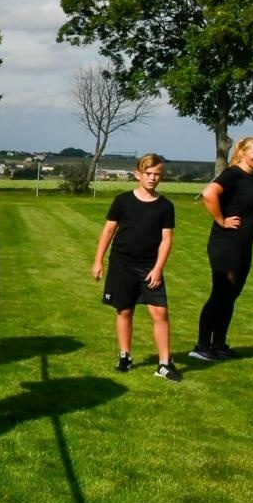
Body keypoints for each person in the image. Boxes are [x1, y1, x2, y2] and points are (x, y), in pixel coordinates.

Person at [91, 154, 181, 381]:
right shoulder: (122, 201)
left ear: (162, 176)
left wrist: (158, 268)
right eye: (148, 174)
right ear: (138, 174)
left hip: (149, 267)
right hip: (122, 264)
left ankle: (164, 363)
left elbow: (166, 240)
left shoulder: (166, 206)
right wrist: (98, 260)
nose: (152, 178)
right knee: (124, 310)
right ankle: (125, 356)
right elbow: (108, 231)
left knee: (159, 312)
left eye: (157, 174)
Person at [191, 136, 253, 361]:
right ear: (242, 152)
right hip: (226, 243)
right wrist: (221, 220)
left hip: (243, 245)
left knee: (231, 295)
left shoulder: (251, 177)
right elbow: (209, 193)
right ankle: (202, 346)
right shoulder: (233, 173)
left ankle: (219, 344)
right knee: (221, 293)